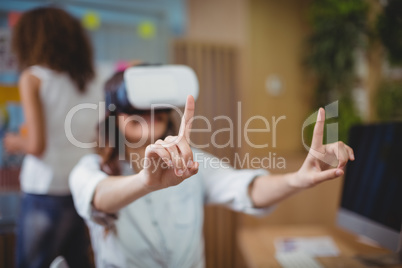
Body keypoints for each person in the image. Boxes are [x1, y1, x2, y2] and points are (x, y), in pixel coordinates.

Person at [69, 69, 354, 268]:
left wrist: (296, 180)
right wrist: (145, 182)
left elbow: (246, 188)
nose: (146, 112)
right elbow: (98, 197)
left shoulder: (195, 163)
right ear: (114, 115)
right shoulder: (90, 168)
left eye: (154, 104)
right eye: (135, 105)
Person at [4, 7, 99, 268]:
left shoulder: (33, 78)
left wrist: (13, 141)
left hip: (44, 189)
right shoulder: (92, 79)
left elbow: (36, 145)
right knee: (77, 261)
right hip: (81, 187)